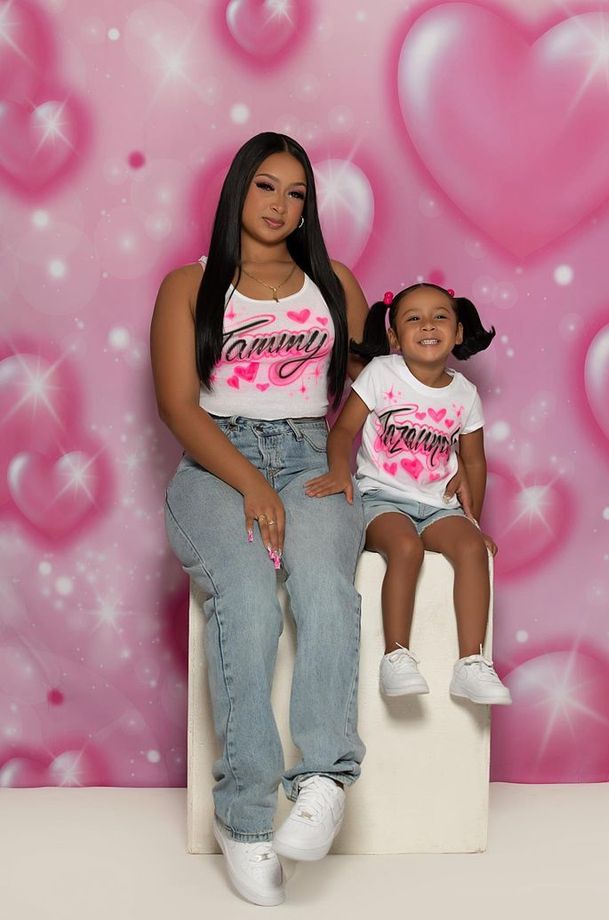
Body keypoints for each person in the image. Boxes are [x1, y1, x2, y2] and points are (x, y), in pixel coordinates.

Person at [150, 132, 370, 907]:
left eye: (298, 193)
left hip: (311, 456)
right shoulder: (189, 285)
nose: (282, 205)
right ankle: (243, 819)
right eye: (267, 187)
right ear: (238, 191)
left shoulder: (336, 283)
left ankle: (323, 781)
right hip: (217, 461)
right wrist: (250, 482)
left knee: (322, 584)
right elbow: (178, 405)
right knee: (244, 598)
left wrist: (344, 461)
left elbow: (370, 391)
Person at [305, 283, 512, 706]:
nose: (428, 325)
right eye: (413, 318)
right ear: (396, 337)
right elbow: (343, 429)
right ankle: (396, 656)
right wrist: (337, 471)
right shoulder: (382, 373)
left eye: (440, 316)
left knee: (473, 550)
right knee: (404, 547)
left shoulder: (465, 394)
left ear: (457, 332)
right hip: (382, 498)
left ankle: (470, 663)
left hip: (439, 504)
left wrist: (475, 521)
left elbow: (474, 462)